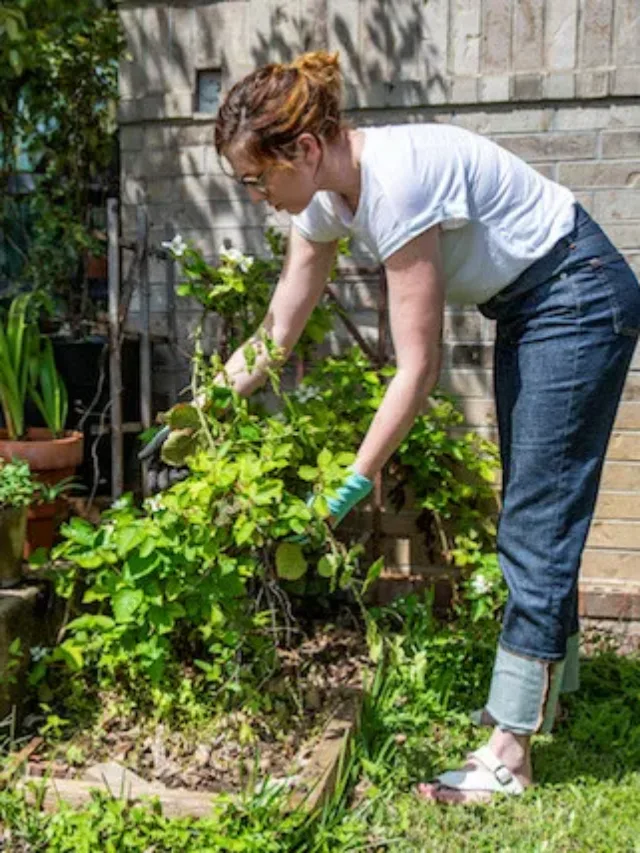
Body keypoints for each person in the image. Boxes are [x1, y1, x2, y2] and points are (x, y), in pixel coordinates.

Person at [144, 50, 640, 803]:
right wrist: (204, 405)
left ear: (304, 150)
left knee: (536, 517)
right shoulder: (319, 201)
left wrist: (357, 474)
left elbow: (418, 370)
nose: (255, 197)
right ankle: (554, 688)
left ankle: (508, 752)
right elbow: (277, 333)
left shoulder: (398, 184)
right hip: (534, 309)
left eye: (255, 179)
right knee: (537, 503)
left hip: (578, 296)